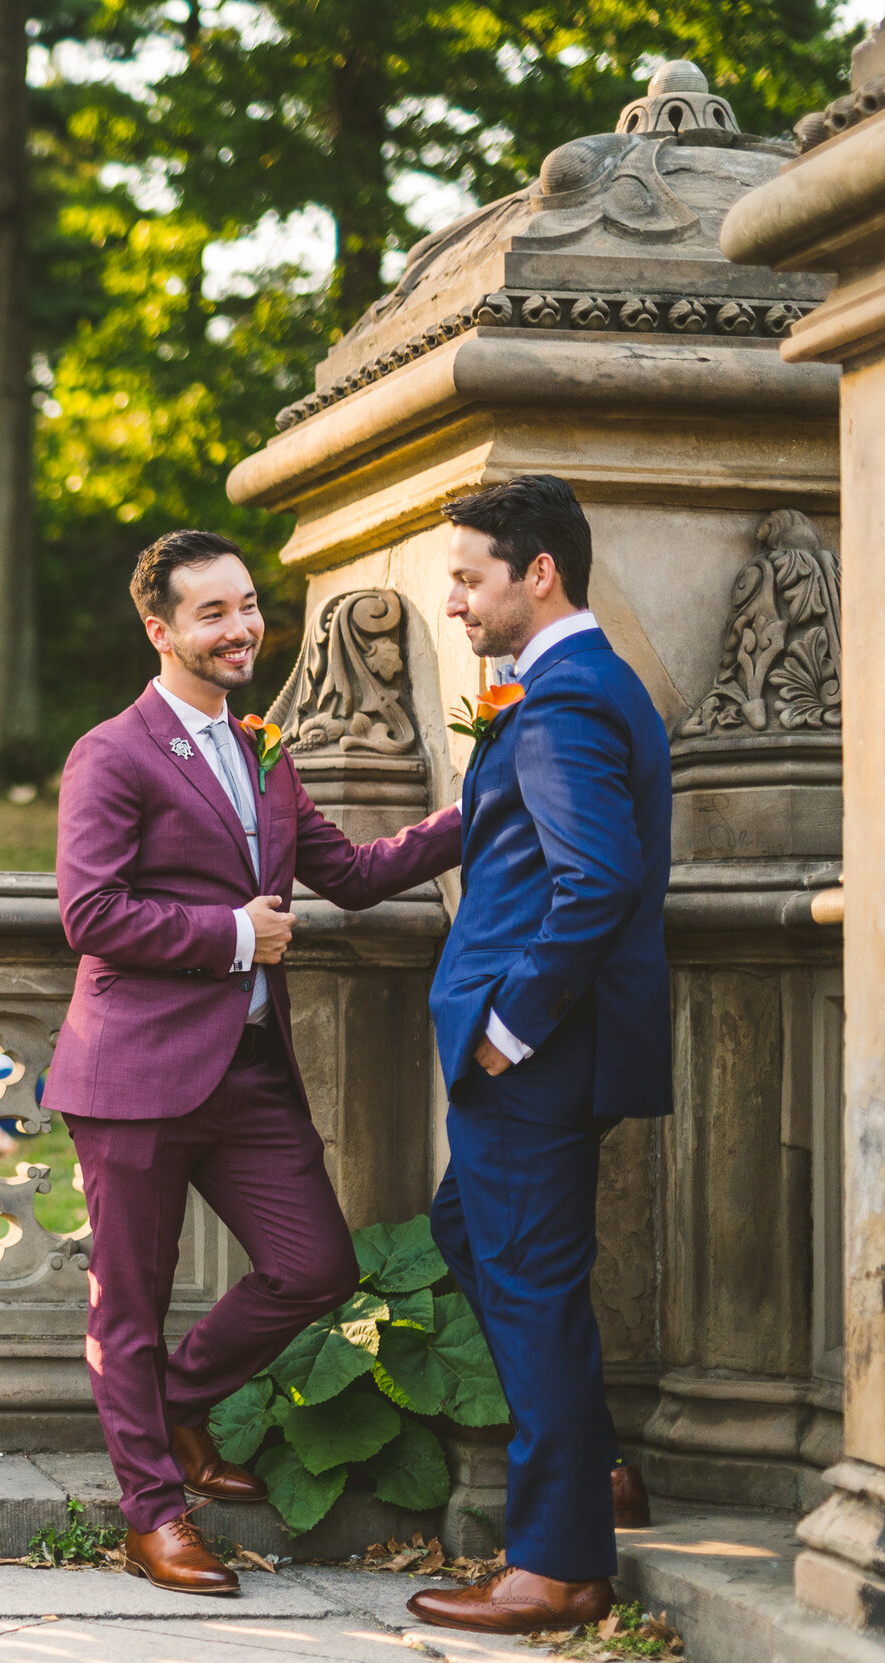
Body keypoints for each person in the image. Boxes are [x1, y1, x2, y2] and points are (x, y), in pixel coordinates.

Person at [45, 530, 463, 1597]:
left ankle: (179, 1404)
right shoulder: (112, 751)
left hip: (247, 1072)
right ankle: (151, 1516)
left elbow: (354, 876)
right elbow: (89, 912)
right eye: (212, 614)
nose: (241, 629)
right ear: (161, 631)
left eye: (247, 606)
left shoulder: (265, 747)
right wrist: (235, 936)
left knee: (315, 1264)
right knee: (124, 1306)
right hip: (132, 1075)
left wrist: (478, 813)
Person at [404, 474, 670, 1636]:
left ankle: (559, 1563)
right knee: (471, 1234)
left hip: (537, 1056)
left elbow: (598, 879)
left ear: (537, 572)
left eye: (468, 577)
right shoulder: (581, 684)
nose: (452, 603)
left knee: (530, 1287)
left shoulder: (563, 701)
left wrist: (508, 1030)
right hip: (560, 1053)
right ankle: (594, 1472)